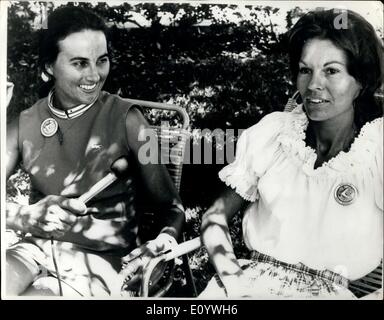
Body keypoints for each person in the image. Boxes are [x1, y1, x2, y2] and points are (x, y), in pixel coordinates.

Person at [200, 9, 383, 299]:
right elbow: (215, 217)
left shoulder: (377, 151)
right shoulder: (273, 135)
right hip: (246, 286)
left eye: (331, 70)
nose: (313, 85)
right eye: (304, 70)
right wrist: (233, 279)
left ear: (360, 80)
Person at [6, 6, 184, 297]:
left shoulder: (128, 120)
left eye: (101, 61)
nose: (94, 75)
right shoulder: (26, 123)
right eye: (79, 63)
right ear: (49, 67)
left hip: (101, 264)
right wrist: (22, 216)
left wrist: (164, 240)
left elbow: (171, 206)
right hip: (35, 249)